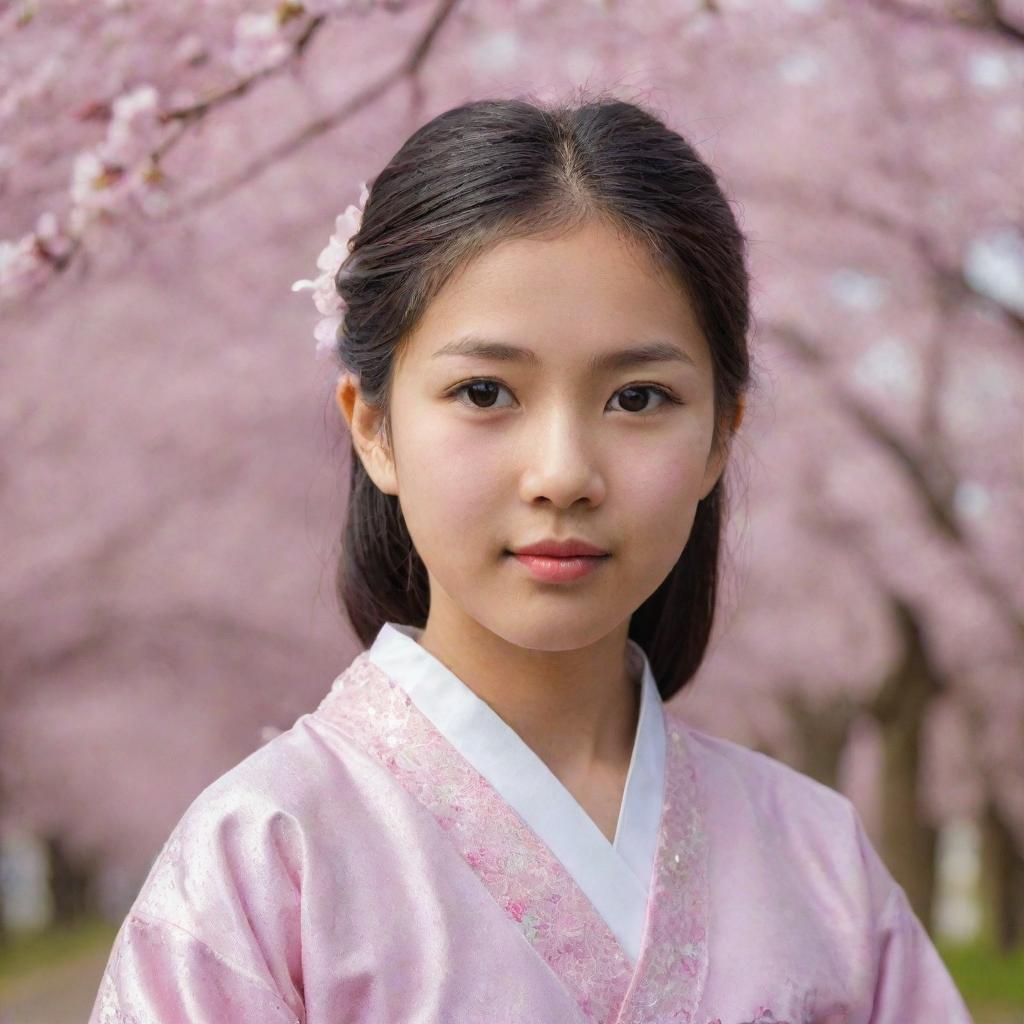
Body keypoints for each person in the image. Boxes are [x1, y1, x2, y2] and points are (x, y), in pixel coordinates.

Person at [88, 93, 973, 1023]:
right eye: (484, 391)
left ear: (722, 435)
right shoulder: (267, 861)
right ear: (375, 428)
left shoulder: (819, 859)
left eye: (637, 399)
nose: (563, 475)